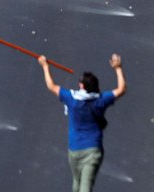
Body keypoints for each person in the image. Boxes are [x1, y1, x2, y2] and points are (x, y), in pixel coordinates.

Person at [38, 53, 126, 192]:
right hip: (88, 150)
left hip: (77, 151)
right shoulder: (101, 100)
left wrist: (45, 66)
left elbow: (51, 85)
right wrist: (118, 68)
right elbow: (121, 89)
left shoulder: (71, 99)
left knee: (84, 188)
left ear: (82, 86)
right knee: (77, 187)